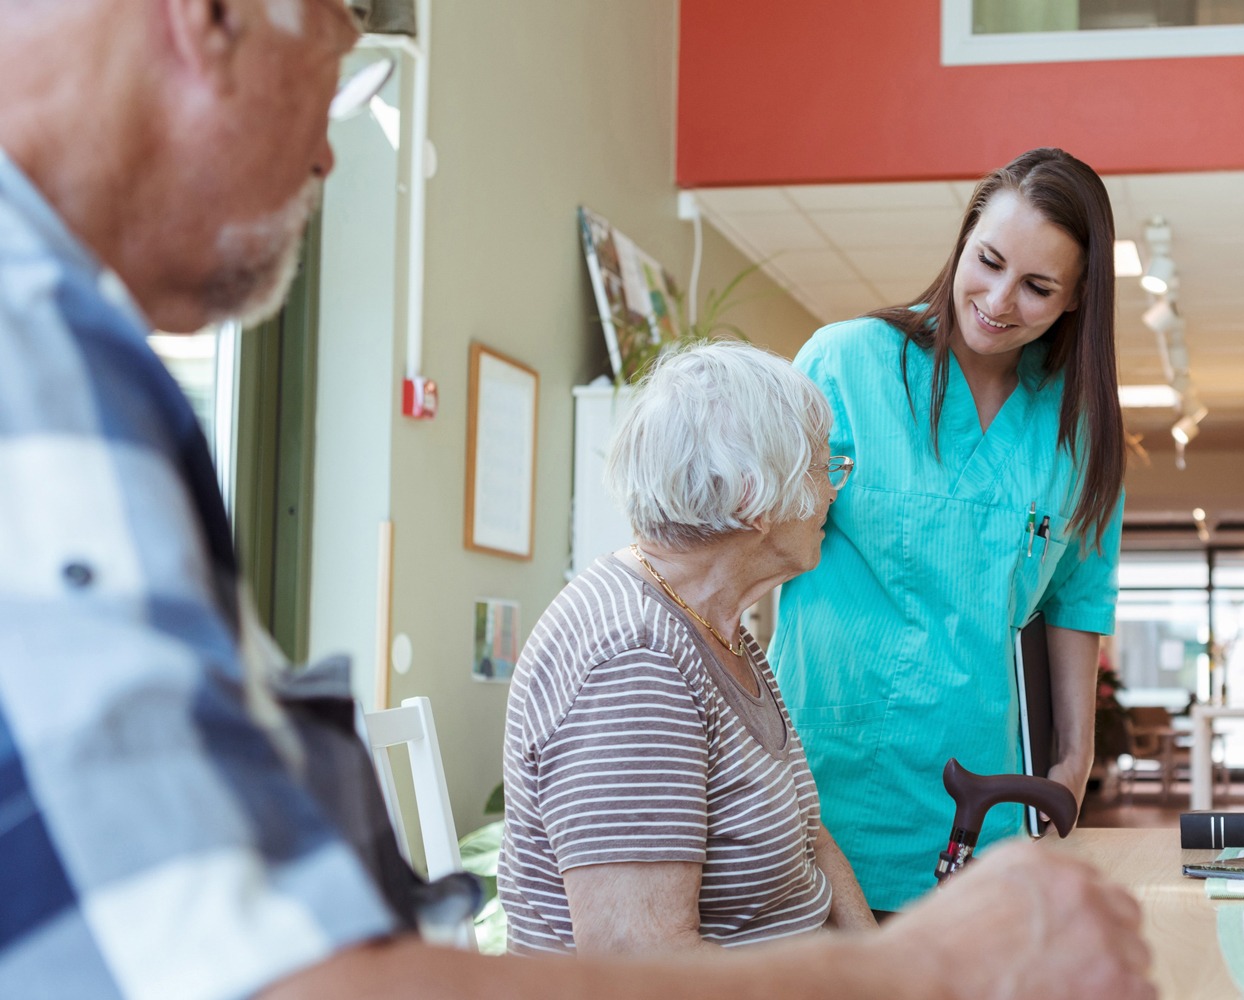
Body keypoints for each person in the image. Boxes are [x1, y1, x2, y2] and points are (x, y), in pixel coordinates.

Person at [0, 1, 1155, 998]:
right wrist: (922, 969)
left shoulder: (87, 371)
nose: (327, 161)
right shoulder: (44, 377)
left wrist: (1049, 783)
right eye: (333, 76)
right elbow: (264, 973)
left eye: (1037, 284)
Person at [769, 147, 1127, 913]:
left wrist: (1073, 760)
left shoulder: (1080, 431)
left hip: (975, 796)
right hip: (827, 783)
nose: (998, 300)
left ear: (1077, 299)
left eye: (1037, 287)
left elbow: (1078, 598)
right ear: (962, 241)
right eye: (988, 261)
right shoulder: (844, 364)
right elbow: (748, 547)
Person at [501, 341, 877, 953]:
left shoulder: (714, 622)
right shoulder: (634, 665)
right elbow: (641, 972)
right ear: (753, 499)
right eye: (821, 467)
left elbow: (809, 836)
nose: (834, 490)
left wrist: (885, 971)